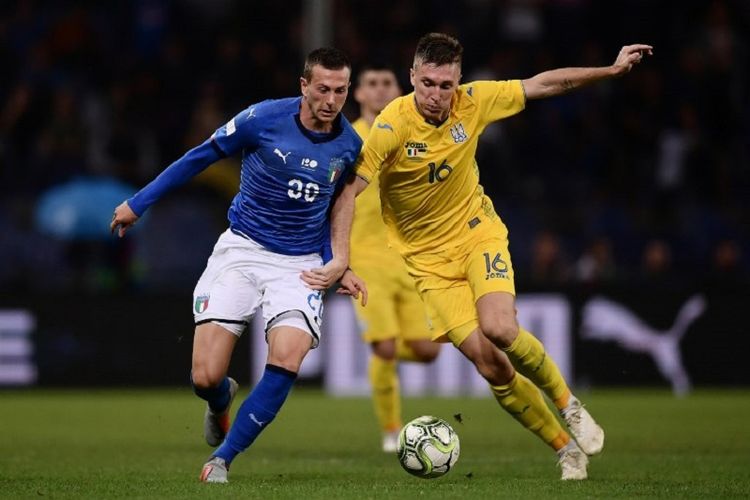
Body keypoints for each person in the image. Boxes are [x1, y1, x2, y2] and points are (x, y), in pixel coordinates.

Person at [325, 33, 653, 480]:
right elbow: (349, 193)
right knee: (492, 366)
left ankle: (568, 405)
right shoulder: (391, 126)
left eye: (446, 85)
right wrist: (339, 257)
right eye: (427, 84)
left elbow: (545, 85)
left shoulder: (474, 102)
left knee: (500, 329)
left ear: (459, 81)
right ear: (412, 78)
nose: (436, 95)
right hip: (427, 264)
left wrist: (610, 71)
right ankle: (564, 450)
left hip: (478, 235)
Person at [111, 47, 367, 484]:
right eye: (322, 89)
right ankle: (218, 400)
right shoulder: (261, 119)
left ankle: (223, 459)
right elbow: (200, 156)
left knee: (288, 355)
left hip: (300, 264)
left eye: (340, 91)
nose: (331, 100)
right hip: (242, 251)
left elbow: (334, 208)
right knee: (206, 375)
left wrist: (336, 263)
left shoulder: (349, 146)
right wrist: (139, 203)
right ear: (304, 86)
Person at [350, 66, 440, 452]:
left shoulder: (414, 132)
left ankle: (380, 345)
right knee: (385, 348)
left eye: (386, 83)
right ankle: (391, 429)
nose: (379, 90)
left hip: (408, 258)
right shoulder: (347, 139)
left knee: (427, 350)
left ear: (399, 90)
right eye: (371, 83)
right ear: (357, 94)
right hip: (365, 259)